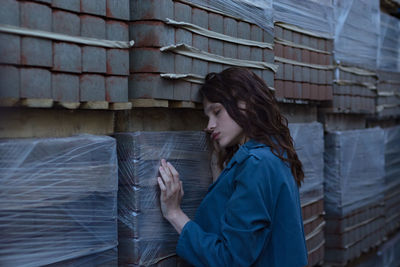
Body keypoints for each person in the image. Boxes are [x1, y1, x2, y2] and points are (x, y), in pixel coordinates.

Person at [157, 67, 308, 266]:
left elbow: (231, 260)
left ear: (245, 104)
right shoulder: (274, 154)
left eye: (217, 112)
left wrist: (175, 213)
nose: (210, 125)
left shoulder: (257, 165)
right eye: (207, 117)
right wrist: (220, 172)